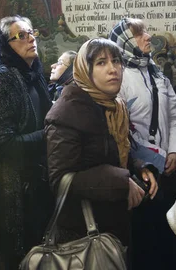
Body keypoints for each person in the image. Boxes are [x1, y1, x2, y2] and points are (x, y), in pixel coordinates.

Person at [45, 38, 158, 259]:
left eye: (116, 61)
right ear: (85, 70)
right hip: (82, 234)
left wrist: (139, 167)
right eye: (101, 63)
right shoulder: (67, 111)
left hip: (112, 223)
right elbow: (60, 179)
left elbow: (116, 149)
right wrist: (120, 181)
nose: (113, 69)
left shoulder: (114, 105)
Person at [109, 17, 176, 268]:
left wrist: (175, 150)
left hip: (167, 171)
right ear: (126, 42)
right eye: (140, 33)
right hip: (139, 173)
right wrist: (152, 159)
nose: (148, 36)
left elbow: (174, 118)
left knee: (168, 241)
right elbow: (123, 131)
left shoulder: (157, 73)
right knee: (144, 245)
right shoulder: (118, 78)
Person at [0, 16, 53, 269]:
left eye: (31, 33)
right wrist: (50, 134)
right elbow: (1, 143)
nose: (31, 38)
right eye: (20, 36)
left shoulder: (32, 73)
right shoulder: (4, 78)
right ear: (5, 45)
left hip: (32, 176)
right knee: (16, 253)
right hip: (8, 181)